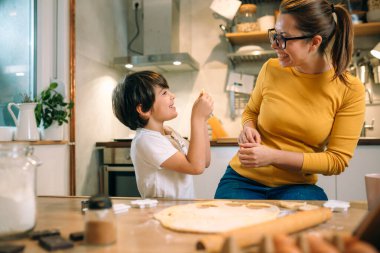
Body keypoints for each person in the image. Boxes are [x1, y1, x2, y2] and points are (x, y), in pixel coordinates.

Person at [215, 0, 365, 200]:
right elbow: (251, 112)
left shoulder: (350, 89)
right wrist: (248, 128)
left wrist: (272, 156)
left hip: (298, 186)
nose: (274, 44)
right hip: (242, 179)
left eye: (284, 38)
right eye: (275, 35)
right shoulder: (271, 68)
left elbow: (336, 161)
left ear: (314, 42)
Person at [112, 71, 213, 199]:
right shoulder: (146, 140)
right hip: (161, 212)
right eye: (164, 93)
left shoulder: (169, 133)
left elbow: (204, 161)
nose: (173, 96)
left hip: (179, 211)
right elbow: (196, 167)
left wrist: (203, 119)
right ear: (144, 109)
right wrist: (197, 117)